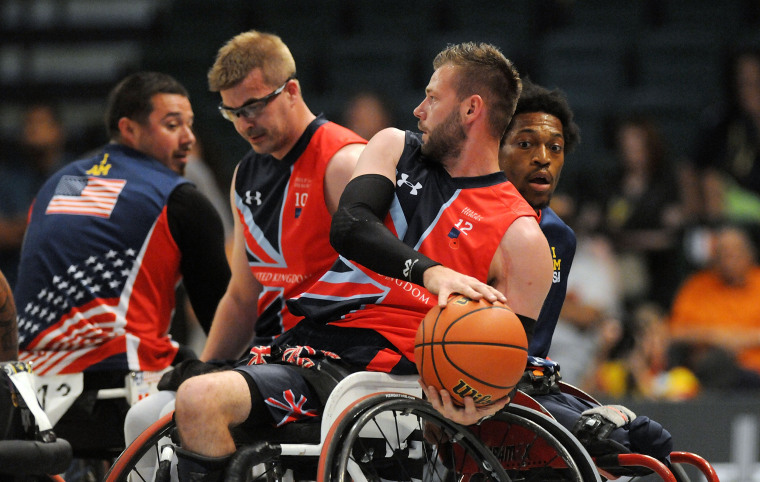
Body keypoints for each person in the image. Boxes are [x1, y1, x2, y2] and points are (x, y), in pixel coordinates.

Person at [171, 41, 553, 480]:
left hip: (378, 371)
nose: (418, 109)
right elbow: (350, 226)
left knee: (200, 400)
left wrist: (478, 404)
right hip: (306, 340)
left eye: (432, 97)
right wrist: (433, 272)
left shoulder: (521, 236)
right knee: (180, 404)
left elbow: (508, 362)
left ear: (471, 109)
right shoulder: (394, 146)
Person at [123, 29, 366, 465]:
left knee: (199, 402)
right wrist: (210, 363)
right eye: (231, 112)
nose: (243, 123)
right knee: (143, 417)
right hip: (275, 356)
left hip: (336, 361)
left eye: (253, 106)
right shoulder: (246, 175)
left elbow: (393, 278)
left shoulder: (343, 162)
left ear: (291, 90)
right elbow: (241, 295)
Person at [14, 72, 231, 462]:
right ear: (128, 129)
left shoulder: (54, 184)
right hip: (123, 396)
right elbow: (224, 319)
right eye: (172, 124)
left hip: (31, 399)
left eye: (190, 124)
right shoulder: (179, 198)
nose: (188, 138)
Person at [499, 80, 673, 464]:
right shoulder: (470, 217)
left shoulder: (561, 236)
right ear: (496, 149)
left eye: (555, 148)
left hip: (533, 385)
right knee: (619, 446)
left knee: (651, 448)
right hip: (481, 381)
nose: (543, 158)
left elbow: (537, 341)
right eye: (526, 144)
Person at [668, 224, 760, 390]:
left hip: (755, 368)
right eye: (723, 253)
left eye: (735, 253)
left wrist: (740, 338)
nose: (729, 260)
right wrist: (715, 337)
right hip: (709, 369)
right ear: (714, 257)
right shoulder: (697, 286)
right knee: (714, 363)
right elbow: (674, 332)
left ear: (750, 254)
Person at [0, 103, 75, 288]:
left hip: (61, 287)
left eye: (40, 122)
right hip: (13, 284)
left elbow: (70, 230)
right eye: (28, 123)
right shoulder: (6, 176)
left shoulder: (74, 173)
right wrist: (45, 223)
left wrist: (21, 226)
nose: (33, 129)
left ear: (59, 131)